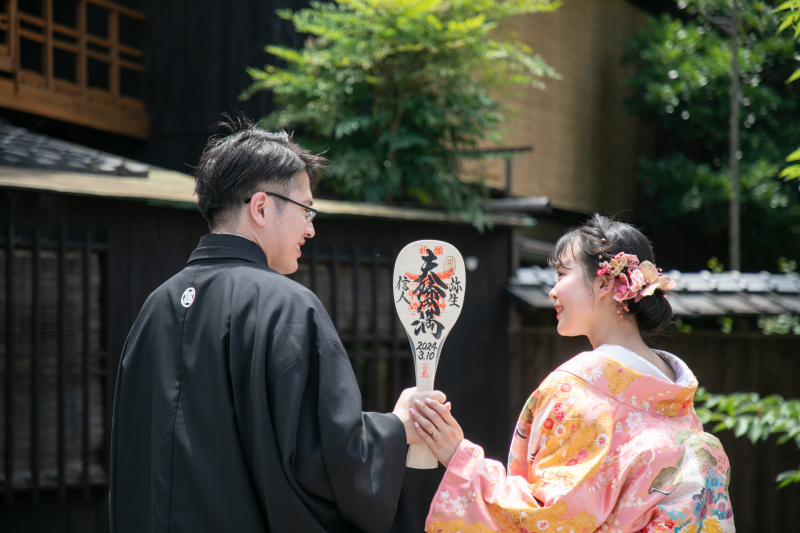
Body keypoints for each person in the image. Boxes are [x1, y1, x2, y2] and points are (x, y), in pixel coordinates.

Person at [109, 117, 447, 533]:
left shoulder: (154, 307)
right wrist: (396, 429)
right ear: (262, 207)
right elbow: (324, 459)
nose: (311, 227)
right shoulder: (285, 306)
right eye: (307, 209)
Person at [409, 214, 735, 533]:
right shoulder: (678, 400)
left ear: (606, 282)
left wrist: (460, 457)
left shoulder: (577, 390)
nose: (553, 291)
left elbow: (547, 516)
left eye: (562, 273)